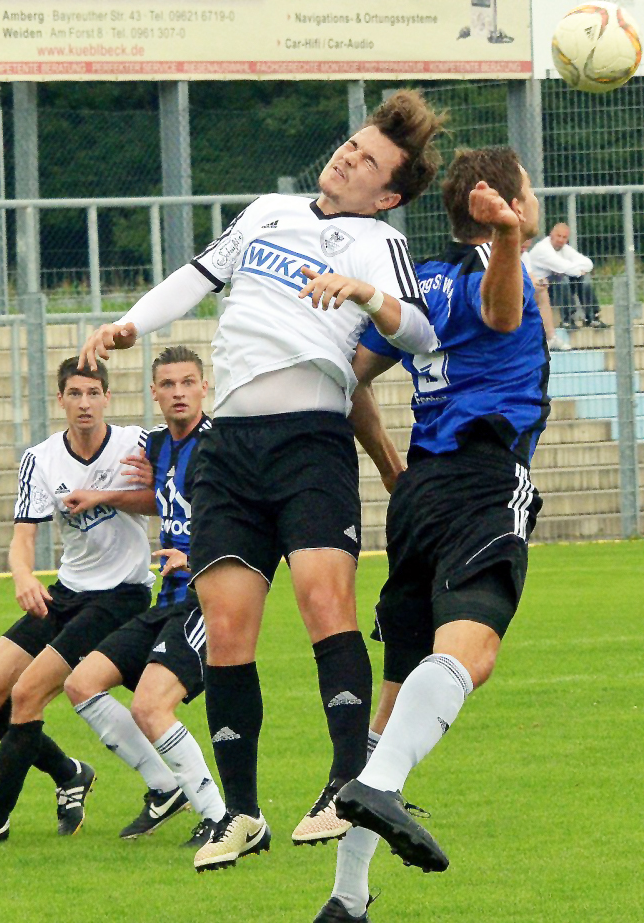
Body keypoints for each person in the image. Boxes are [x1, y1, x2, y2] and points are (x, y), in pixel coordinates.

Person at [79, 89, 446, 872]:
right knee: (230, 626)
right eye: (351, 144)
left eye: (369, 161)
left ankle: (345, 783)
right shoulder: (267, 211)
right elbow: (193, 277)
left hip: (310, 440)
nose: (348, 156)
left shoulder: (374, 241)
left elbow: (418, 329)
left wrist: (363, 295)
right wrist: (129, 326)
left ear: (387, 193)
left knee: (323, 599)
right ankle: (242, 813)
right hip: (231, 449)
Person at [314, 147, 549, 922]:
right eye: (526, 195)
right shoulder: (495, 266)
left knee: (394, 707)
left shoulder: (423, 286)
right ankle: (376, 790)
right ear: (503, 202)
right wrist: (511, 236)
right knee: (469, 656)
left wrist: (390, 467)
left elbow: (348, 379)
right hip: (483, 478)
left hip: (418, 495)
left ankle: (347, 896)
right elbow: (504, 312)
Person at [0, 358, 155, 846]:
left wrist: (102, 496)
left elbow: (164, 497)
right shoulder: (42, 458)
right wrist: (24, 574)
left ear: (108, 397)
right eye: (75, 394)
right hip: (67, 591)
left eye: (94, 392)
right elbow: (23, 536)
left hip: (121, 594)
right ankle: (69, 772)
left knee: (28, 694)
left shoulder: (136, 444)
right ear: (61, 400)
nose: (85, 403)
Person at [63, 346, 226, 847]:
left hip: (208, 599)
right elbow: (158, 499)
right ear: (154, 392)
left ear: (204, 387)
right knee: (82, 683)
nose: (178, 392)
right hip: (166, 599)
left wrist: (196, 557)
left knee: (152, 706)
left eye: (187, 383)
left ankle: (219, 816)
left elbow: (251, 518)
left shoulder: (222, 446)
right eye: (168, 385)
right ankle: (163, 786)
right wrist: (102, 497)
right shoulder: (157, 446)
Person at [528, 222, 607, 329]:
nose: (560, 240)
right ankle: (567, 319)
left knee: (584, 279)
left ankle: (592, 317)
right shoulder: (543, 249)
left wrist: (572, 270)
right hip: (539, 288)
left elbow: (588, 263)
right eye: (558, 236)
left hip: (557, 287)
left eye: (564, 237)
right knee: (562, 278)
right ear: (551, 234)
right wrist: (576, 270)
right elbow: (564, 268)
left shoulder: (565, 249)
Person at [521, 239, 571, 352]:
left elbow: (531, 277)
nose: (524, 250)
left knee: (541, 292)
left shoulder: (524, 255)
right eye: (522, 246)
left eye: (526, 247)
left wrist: (540, 282)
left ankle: (550, 337)